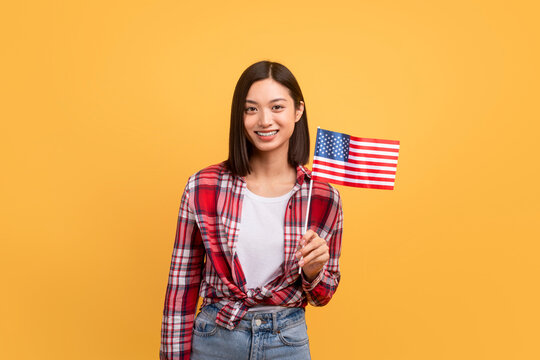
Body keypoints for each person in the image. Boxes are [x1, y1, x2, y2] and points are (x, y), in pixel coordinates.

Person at [160, 60, 343, 360]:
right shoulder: (203, 186)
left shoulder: (323, 197)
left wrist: (313, 271)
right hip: (215, 338)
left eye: (277, 107)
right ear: (240, 116)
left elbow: (322, 296)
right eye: (251, 109)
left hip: (287, 341)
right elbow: (182, 284)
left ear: (298, 111)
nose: (264, 120)